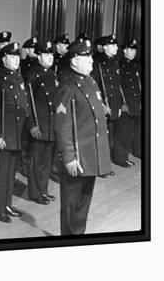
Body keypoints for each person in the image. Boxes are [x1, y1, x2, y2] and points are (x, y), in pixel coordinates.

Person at [54, 38, 112, 235]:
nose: (91, 61)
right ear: (74, 61)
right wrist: (68, 157)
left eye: (90, 57)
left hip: (90, 155)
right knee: (71, 206)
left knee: (83, 205)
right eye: (85, 57)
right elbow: (62, 127)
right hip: (77, 157)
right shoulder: (67, 86)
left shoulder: (90, 82)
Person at [0, 42, 36, 223]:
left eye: (18, 57)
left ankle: (7, 204)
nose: (17, 60)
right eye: (12, 57)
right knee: (1, 173)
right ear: (4, 59)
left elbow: (24, 104)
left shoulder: (18, 77)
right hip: (5, 134)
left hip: (17, 133)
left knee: (11, 173)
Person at [25, 41, 59, 205]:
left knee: (47, 161)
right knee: (36, 162)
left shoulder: (53, 75)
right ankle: (35, 192)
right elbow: (28, 103)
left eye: (51, 54)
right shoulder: (33, 75)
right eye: (46, 54)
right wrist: (32, 125)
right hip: (39, 125)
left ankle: (43, 190)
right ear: (38, 56)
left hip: (51, 125)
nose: (50, 58)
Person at [92, 34, 131, 167]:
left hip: (116, 103)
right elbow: (95, 86)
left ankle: (120, 158)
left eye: (116, 45)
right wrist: (101, 105)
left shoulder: (116, 62)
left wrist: (122, 102)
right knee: (102, 136)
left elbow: (118, 84)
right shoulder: (97, 63)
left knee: (121, 133)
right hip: (105, 103)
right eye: (112, 45)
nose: (116, 48)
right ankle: (100, 165)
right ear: (105, 47)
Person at [118, 39, 142, 160]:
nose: (133, 52)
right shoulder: (119, 64)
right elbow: (118, 86)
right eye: (131, 50)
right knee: (124, 133)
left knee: (138, 130)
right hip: (126, 102)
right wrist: (122, 103)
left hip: (137, 101)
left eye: (134, 50)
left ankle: (138, 151)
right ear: (125, 50)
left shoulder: (136, 65)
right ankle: (121, 158)